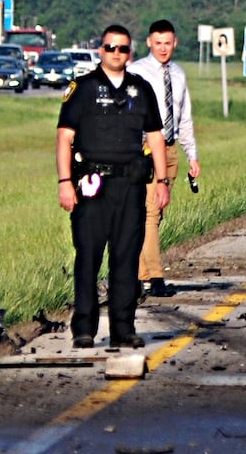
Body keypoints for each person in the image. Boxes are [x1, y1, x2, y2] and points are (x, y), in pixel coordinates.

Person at [56, 24, 168, 349]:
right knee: (88, 256)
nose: (116, 54)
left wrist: (162, 181)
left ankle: (123, 328)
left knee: (126, 258)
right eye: (110, 48)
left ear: (129, 52)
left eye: (122, 49)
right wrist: (65, 182)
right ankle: (84, 328)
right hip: (92, 185)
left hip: (130, 185)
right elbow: (64, 137)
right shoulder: (84, 88)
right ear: (100, 50)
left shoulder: (140, 88)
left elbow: (156, 137)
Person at [127, 19, 199, 298]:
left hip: (169, 150)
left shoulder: (179, 75)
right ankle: (155, 277)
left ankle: (140, 276)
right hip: (145, 149)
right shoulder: (136, 72)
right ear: (148, 43)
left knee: (156, 216)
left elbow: (185, 119)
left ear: (175, 43)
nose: (163, 48)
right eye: (157, 43)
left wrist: (192, 155)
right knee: (150, 212)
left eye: (167, 43)